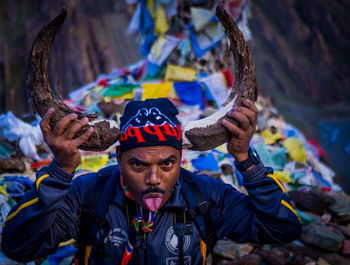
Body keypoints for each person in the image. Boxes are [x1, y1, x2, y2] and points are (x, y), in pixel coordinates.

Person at [2, 98, 301, 265]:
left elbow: (283, 227)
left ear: (181, 158)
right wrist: (60, 171)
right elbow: (18, 246)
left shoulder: (206, 197)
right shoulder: (89, 193)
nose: (153, 178)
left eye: (167, 163)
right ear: (119, 159)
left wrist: (246, 159)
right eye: (137, 164)